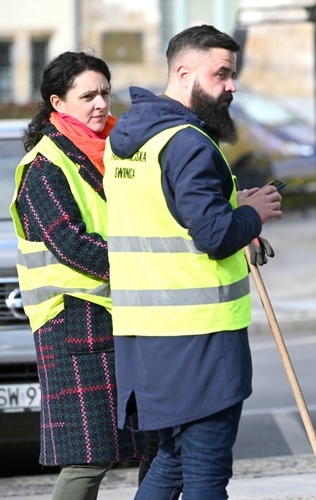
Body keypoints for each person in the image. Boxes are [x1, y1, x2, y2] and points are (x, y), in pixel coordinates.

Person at [102, 25, 282, 499]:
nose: (231, 86)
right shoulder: (187, 143)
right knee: (204, 474)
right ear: (184, 73)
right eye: (220, 74)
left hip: (148, 338)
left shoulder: (127, 140)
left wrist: (231, 207)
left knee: (174, 461)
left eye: (232, 74)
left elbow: (168, 215)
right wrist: (252, 214)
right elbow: (215, 236)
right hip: (199, 337)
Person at [9, 51, 147, 499]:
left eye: (106, 92)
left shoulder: (119, 153)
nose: (101, 103)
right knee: (89, 458)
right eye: (88, 95)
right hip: (73, 324)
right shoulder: (44, 168)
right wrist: (150, 266)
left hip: (123, 313)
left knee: (157, 442)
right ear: (58, 103)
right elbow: (70, 244)